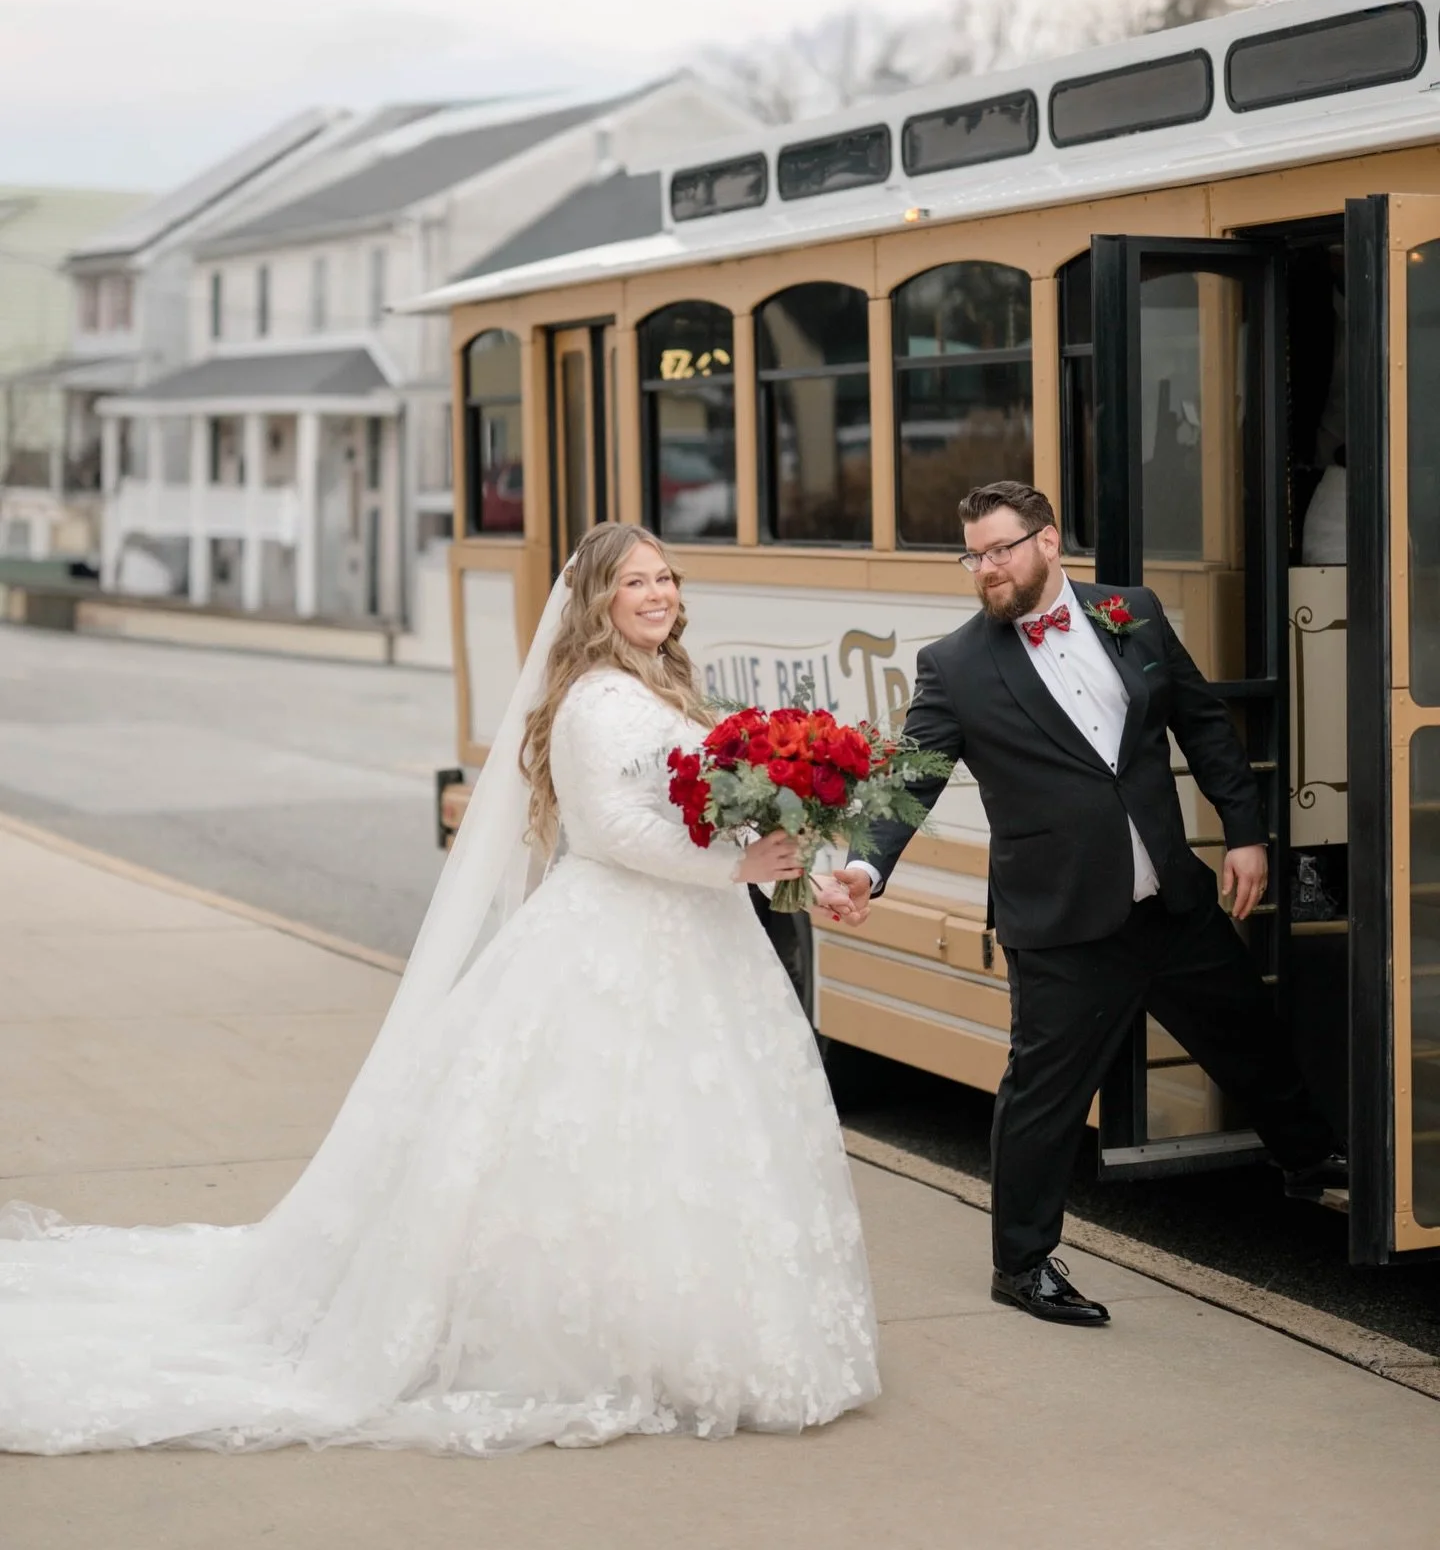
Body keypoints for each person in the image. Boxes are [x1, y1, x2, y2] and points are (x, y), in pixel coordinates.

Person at [0, 522, 879, 1453]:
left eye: (666, 578)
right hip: (617, 933)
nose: (658, 594)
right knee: (592, 1137)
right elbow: (614, 832)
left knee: (699, 1140)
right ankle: (600, 1340)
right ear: (598, 600)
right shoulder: (596, 701)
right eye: (635, 582)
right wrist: (738, 873)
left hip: (697, 937)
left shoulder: (662, 687)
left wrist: (798, 871)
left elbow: (717, 819)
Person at [830, 481, 1345, 1328]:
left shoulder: (1130, 612)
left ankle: (1309, 1158)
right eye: (974, 555)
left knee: (1246, 1031)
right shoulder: (954, 665)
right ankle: (1021, 1265)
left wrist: (1245, 831)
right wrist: (865, 866)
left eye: (1000, 549)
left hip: (1168, 898)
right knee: (1044, 1097)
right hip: (1062, 919)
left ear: (1047, 543)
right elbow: (911, 777)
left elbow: (1202, 723)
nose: (986, 568)